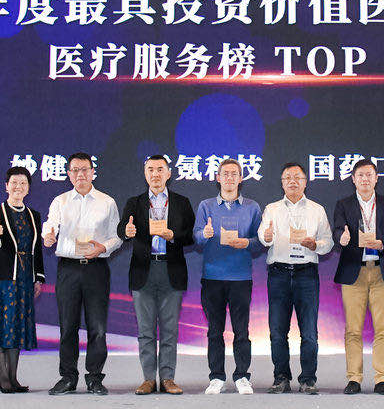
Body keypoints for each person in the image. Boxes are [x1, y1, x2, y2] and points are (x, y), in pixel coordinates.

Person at [42, 152, 121, 395]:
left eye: (84, 169)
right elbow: (50, 224)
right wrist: (48, 235)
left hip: (96, 268)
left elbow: (117, 236)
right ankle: (68, 377)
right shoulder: (61, 201)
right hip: (69, 268)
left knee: (97, 328)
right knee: (68, 326)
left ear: (93, 172)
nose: (80, 174)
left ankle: (95, 378)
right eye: (75, 170)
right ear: (69, 174)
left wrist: (102, 248)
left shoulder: (107, 202)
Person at [118, 154, 195, 395]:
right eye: (150, 169)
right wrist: (127, 231)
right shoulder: (135, 202)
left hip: (171, 270)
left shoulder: (181, 202)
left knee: (170, 330)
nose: (155, 174)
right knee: (146, 331)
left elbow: (190, 236)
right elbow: (122, 230)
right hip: (144, 271)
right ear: (145, 174)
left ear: (169, 173)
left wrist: (174, 236)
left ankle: (168, 378)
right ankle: (148, 379)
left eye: (160, 169)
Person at [330, 158, 384, 395]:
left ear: (376, 178)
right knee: (353, 329)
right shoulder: (343, 204)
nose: (365, 179)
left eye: (369, 175)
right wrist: (341, 238)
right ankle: (354, 378)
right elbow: (337, 230)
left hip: (382, 272)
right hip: (355, 272)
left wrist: (383, 243)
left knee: (383, 329)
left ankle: (382, 379)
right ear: (353, 179)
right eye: (360, 175)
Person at [191, 158, 265, 394]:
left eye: (234, 174)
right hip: (212, 277)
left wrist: (246, 243)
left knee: (242, 331)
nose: (230, 178)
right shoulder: (206, 206)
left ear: (241, 178)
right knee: (214, 331)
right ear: (218, 178)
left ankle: (242, 375)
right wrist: (205, 233)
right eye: (225, 174)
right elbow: (196, 239)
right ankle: (216, 377)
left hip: (241, 278)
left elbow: (260, 242)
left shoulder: (252, 207)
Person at [258, 161, 332, 394]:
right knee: (277, 331)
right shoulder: (271, 209)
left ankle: (308, 379)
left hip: (306, 274)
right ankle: (281, 377)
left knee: (309, 331)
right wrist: (266, 236)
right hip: (279, 273)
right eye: (288, 178)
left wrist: (316, 244)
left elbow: (328, 242)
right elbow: (263, 236)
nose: (292, 181)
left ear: (305, 182)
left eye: (297, 177)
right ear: (282, 183)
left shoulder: (317, 210)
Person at [0, 165, 46, 393]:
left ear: (28, 188)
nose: (18, 187)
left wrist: (38, 278)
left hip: (24, 280)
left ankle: (14, 378)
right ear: (6, 186)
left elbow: (36, 250)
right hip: (0, 278)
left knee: (15, 329)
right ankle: (3, 378)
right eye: (14, 183)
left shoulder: (34, 215)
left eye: (23, 183)